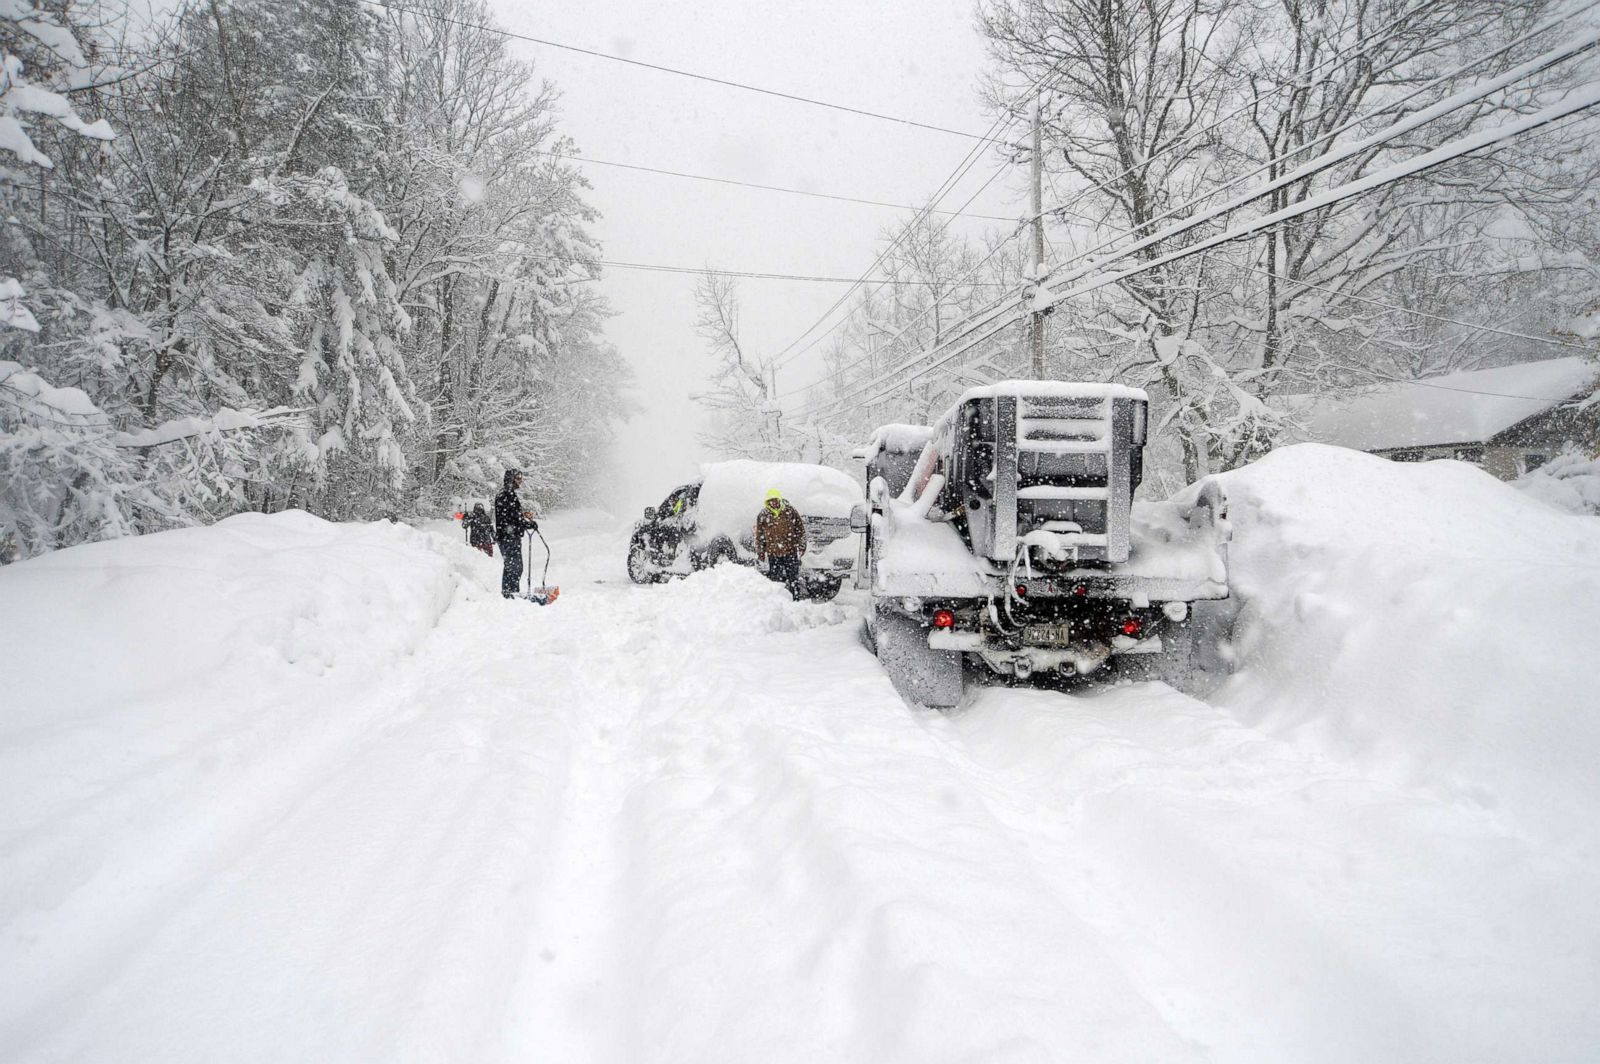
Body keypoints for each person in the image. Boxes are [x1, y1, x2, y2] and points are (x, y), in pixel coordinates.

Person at [494, 468, 538, 598]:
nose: (520, 481)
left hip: (508, 536)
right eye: (518, 479)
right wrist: (527, 524)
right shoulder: (507, 494)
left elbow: (511, 514)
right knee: (514, 568)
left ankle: (510, 593)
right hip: (508, 537)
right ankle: (511, 595)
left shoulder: (505, 493)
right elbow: (513, 517)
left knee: (511, 567)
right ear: (511, 479)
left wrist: (522, 516)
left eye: (521, 479)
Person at [754, 488, 806, 598]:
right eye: (771, 501)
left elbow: (800, 529)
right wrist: (761, 552)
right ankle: (778, 601)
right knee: (775, 580)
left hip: (790, 551)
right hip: (773, 553)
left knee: (793, 578)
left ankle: (795, 598)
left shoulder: (790, 511)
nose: (774, 502)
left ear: (779, 500)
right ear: (767, 502)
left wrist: (802, 545)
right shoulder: (763, 515)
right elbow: (760, 535)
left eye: (775, 500)